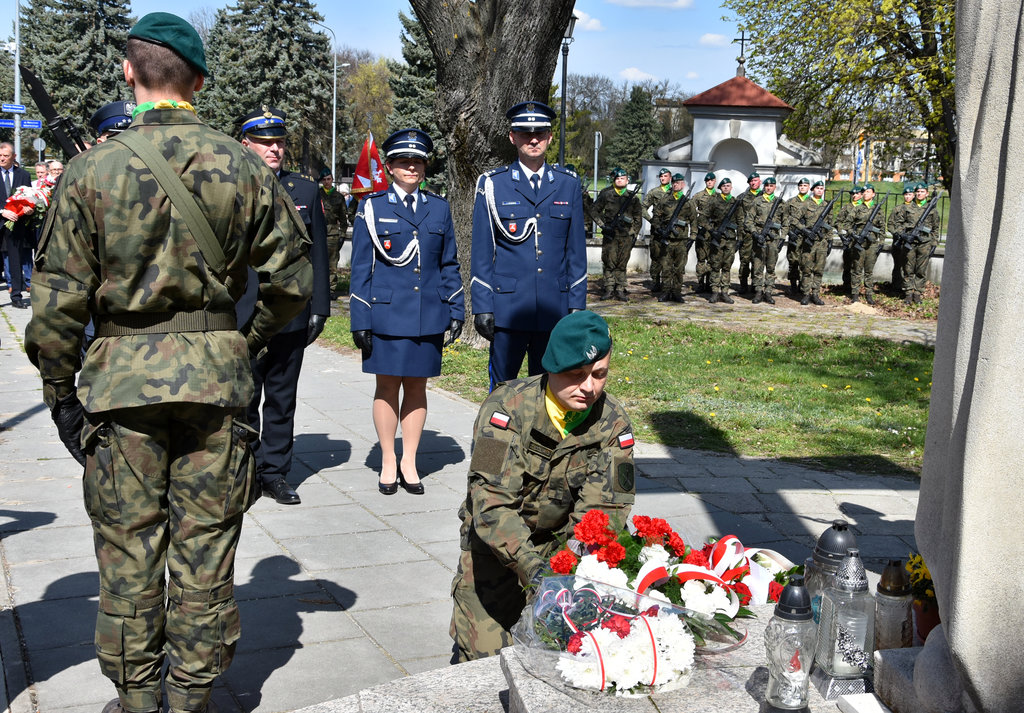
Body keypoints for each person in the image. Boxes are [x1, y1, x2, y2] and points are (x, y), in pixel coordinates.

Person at [24, 13, 312, 713]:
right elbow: (292, 283)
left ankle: (136, 697)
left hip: (121, 387)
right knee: (205, 546)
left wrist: (61, 391)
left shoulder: (93, 168)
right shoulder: (243, 163)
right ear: (200, 82)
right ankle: (190, 695)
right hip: (217, 382)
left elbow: (56, 305)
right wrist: (244, 344)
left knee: (128, 549)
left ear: (129, 73)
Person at [450, 310, 636, 662]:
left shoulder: (613, 423)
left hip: (564, 552)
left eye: (599, 375)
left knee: (563, 658)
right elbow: (490, 502)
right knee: (482, 661)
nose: (589, 387)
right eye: (576, 375)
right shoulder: (505, 409)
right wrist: (534, 571)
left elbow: (607, 508)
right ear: (551, 366)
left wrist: (573, 565)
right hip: (497, 550)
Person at [349, 129, 464, 495]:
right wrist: (360, 318)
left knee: (417, 387)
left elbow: (449, 264)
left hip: (427, 313)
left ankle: (409, 460)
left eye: (417, 161)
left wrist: (456, 306)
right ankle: (386, 459)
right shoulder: (372, 208)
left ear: (425, 166)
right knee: (386, 386)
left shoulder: (439, 208)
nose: (411, 167)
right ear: (391, 166)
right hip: (386, 314)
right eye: (403, 161)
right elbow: (360, 270)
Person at [238, 105, 331, 505]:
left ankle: (274, 472)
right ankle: (243, 472)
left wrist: (320, 308)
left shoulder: (305, 189)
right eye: (264, 142)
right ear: (246, 144)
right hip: (244, 311)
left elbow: (320, 254)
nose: (274, 149)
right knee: (244, 395)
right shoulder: (229, 185)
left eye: (278, 142)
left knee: (281, 395)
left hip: (290, 311)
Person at [470, 101, 587, 391]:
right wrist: (482, 306)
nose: (533, 139)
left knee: (551, 388)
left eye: (540, 133)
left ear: (549, 137)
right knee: (502, 389)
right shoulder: (493, 184)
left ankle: (541, 439)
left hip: (554, 308)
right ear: (512, 137)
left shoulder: (567, 184)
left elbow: (576, 253)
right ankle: (496, 438)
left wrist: (577, 305)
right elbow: (482, 253)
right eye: (525, 133)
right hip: (508, 308)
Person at [593, 167, 642, 301]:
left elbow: (638, 218)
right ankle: (609, 289)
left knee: (622, 263)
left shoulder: (633, 198)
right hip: (611, 234)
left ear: (627, 181)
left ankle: (620, 289)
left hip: (625, 235)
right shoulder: (606, 195)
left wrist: (633, 233)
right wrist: (603, 225)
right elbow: (594, 211)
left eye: (622, 178)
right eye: (617, 178)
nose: (620, 180)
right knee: (609, 262)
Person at [653, 173, 696, 304]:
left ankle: (677, 292)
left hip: (681, 241)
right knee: (666, 268)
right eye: (674, 183)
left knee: (678, 269)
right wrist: (659, 229)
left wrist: (692, 237)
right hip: (667, 240)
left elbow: (694, 221)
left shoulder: (688, 203)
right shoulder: (664, 201)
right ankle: (665, 292)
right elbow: (656, 217)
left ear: (683, 185)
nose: (675, 185)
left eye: (678, 183)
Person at [0, 142, 33, 308]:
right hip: (1, 218)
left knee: (15, 260)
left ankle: (17, 296)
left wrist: (28, 208)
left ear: (14, 157)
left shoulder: (23, 175)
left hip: (17, 224)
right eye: (0, 156)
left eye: (6, 156)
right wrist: (2, 211)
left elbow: (29, 198)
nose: (2, 158)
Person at [897, 182, 940, 304]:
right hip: (909, 243)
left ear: (927, 193)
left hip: (924, 243)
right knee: (908, 269)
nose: (919, 194)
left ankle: (917, 293)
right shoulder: (907, 208)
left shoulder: (931, 209)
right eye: (918, 192)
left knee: (921, 270)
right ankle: (908, 293)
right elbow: (898, 224)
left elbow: (935, 228)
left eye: (922, 192)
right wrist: (903, 235)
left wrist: (934, 243)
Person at [699, 176, 739, 304]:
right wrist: (712, 231)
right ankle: (715, 292)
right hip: (717, 239)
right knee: (715, 266)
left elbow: (741, 221)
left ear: (731, 187)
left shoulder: (736, 202)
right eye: (724, 186)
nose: (726, 187)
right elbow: (702, 218)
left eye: (728, 186)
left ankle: (725, 293)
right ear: (720, 188)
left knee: (727, 267)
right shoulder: (713, 201)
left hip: (730, 239)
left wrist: (740, 239)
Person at [746, 176, 782, 304]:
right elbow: (748, 220)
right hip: (759, 239)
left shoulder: (779, 203)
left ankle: (768, 292)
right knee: (758, 267)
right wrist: (755, 233)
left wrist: (782, 237)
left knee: (771, 267)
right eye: (767, 186)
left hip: (772, 240)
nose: (768, 188)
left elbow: (786, 222)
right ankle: (758, 292)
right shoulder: (757, 201)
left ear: (774, 187)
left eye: (771, 186)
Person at [847, 183, 883, 303]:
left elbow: (882, 228)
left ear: (873, 194)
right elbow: (847, 224)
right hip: (859, 242)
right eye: (864, 192)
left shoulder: (878, 210)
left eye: (868, 192)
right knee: (857, 269)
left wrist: (881, 242)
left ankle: (869, 294)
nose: (865, 194)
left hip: (872, 244)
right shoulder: (857, 209)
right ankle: (855, 294)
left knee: (869, 270)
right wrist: (854, 234)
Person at [797, 180, 830, 306]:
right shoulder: (805, 204)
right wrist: (805, 230)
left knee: (819, 270)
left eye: (822, 188)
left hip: (822, 243)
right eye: (817, 188)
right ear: (812, 190)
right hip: (809, 242)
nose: (820, 190)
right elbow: (794, 220)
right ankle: (805, 294)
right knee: (807, 269)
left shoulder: (826, 205)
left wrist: (829, 240)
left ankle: (815, 294)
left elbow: (829, 225)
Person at [318, 167, 349, 296]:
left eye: (329, 179)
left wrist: (342, 235)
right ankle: (319, 289)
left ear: (332, 179)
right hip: (319, 232)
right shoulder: (316, 194)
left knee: (332, 264)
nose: (326, 182)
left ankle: (331, 290)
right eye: (324, 180)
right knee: (319, 262)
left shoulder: (338, 197)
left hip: (332, 234)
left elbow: (343, 218)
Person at [643, 167, 672, 292]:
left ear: (670, 177)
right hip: (657, 230)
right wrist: (651, 220)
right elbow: (642, 207)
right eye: (661, 176)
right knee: (655, 256)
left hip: (670, 230)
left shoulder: (675, 193)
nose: (662, 178)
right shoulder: (654, 192)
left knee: (669, 257)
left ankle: (668, 283)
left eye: (665, 176)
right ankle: (655, 282)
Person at [782, 177, 812, 297]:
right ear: (798, 187)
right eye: (801, 186)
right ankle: (793, 285)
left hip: (807, 237)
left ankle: (803, 285)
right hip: (795, 236)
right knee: (793, 261)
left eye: (805, 185)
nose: (803, 187)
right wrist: (789, 232)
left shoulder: (812, 202)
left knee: (805, 261)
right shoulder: (790, 202)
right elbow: (785, 219)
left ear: (809, 187)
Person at [734, 171, 762, 294]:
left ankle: (756, 286)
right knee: (744, 260)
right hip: (746, 235)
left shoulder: (764, 196)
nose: (753, 183)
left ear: (759, 181)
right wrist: (739, 236)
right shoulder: (742, 198)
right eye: (751, 181)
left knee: (758, 261)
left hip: (760, 234)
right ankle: (743, 285)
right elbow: (739, 218)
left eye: (755, 180)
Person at [692, 171, 717, 293]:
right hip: (702, 233)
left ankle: (710, 284)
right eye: (707, 181)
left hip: (714, 233)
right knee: (701, 259)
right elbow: (690, 210)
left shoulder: (719, 197)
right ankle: (701, 283)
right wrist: (696, 225)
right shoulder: (698, 196)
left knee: (712, 259)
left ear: (715, 181)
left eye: (711, 180)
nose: (709, 182)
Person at [888, 183, 915, 293]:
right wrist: (897, 233)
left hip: (910, 242)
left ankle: (908, 288)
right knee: (897, 265)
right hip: (898, 242)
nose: (907, 196)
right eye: (906, 195)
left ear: (913, 196)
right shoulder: (897, 209)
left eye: (910, 194)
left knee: (909, 266)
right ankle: (896, 287)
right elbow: (890, 224)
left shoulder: (917, 210)